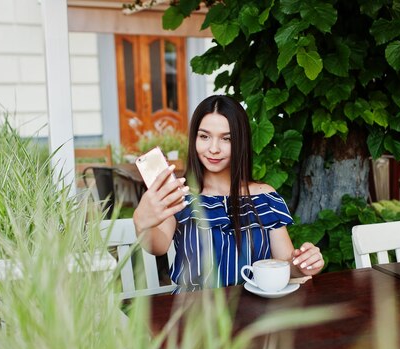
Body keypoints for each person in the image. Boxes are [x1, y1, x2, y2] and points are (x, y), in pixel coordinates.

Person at [133, 95, 324, 291]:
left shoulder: (264, 196)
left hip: (255, 310)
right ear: (194, 138)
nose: (213, 149)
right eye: (204, 136)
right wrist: (142, 222)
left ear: (240, 142)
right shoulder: (181, 195)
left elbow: (285, 264)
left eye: (227, 138)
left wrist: (303, 264)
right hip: (195, 312)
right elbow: (158, 246)